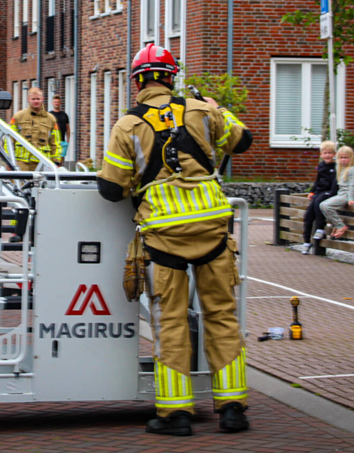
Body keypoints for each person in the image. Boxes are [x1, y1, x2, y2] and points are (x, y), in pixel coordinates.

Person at [96, 44, 254, 437]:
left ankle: (175, 415)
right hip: (213, 228)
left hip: (165, 235)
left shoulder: (127, 125)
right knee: (221, 314)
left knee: (171, 321)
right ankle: (233, 409)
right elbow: (244, 139)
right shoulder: (202, 110)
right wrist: (218, 107)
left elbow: (110, 190)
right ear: (171, 77)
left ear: (137, 83)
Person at [9, 87, 61, 171]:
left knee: (41, 184)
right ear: (29, 99)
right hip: (21, 162)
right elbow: (9, 139)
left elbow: (55, 142)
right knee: (20, 184)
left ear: (42, 99)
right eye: (33, 99)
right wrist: (8, 159)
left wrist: (56, 161)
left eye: (38, 99)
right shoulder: (18, 116)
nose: (36, 101)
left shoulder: (51, 119)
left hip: (42, 162)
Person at [301, 141, 337, 253]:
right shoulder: (321, 166)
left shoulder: (336, 167)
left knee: (319, 205)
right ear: (321, 154)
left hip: (328, 192)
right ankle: (306, 241)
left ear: (334, 154)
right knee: (308, 215)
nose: (327, 155)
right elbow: (317, 180)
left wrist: (332, 193)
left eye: (330, 153)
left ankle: (320, 228)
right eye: (325, 153)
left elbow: (335, 183)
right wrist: (312, 191)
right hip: (319, 191)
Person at [319, 146, 354, 241]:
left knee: (326, 206)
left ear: (351, 158)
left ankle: (340, 225)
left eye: (346, 158)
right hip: (340, 194)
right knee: (322, 205)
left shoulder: (352, 170)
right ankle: (337, 224)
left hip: (346, 195)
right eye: (341, 158)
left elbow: (353, 186)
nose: (343, 160)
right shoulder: (341, 169)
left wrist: (351, 199)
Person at [49, 94, 70, 166]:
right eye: (55, 102)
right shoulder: (50, 115)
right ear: (52, 103)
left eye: (58, 102)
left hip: (63, 141)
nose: (56, 103)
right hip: (53, 142)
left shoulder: (64, 115)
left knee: (61, 160)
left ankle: (59, 174)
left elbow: (67, 128)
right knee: (53, 160)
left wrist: (68, 140)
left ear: (60, 103)